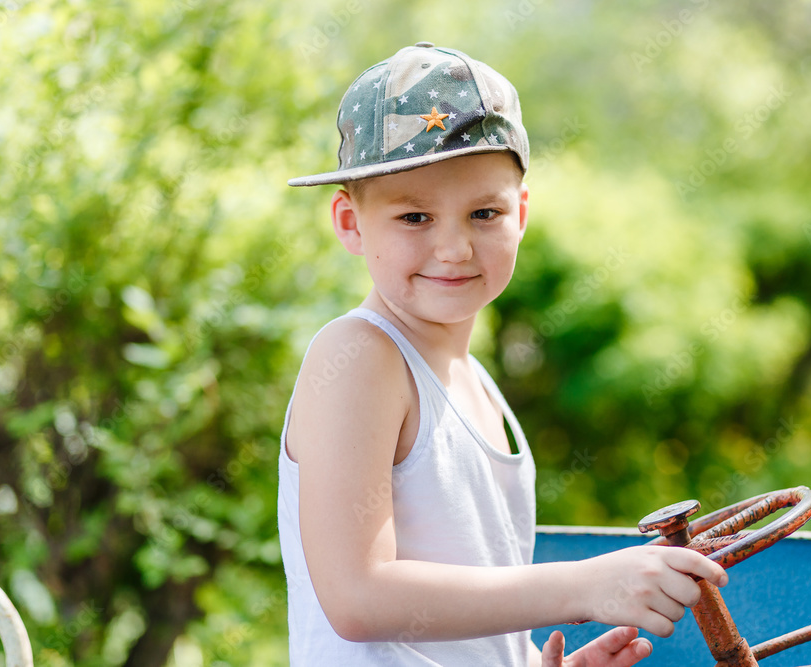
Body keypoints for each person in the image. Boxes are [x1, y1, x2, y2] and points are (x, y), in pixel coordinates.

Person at [278, 42, 727, 666]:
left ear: (520, 213)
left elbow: (454, 617)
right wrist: (585, 585)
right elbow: (357, 597)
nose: (455, 248)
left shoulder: (478, 385)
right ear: (351, 224)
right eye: (415, 217)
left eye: (484, 213)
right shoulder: (359, 356)